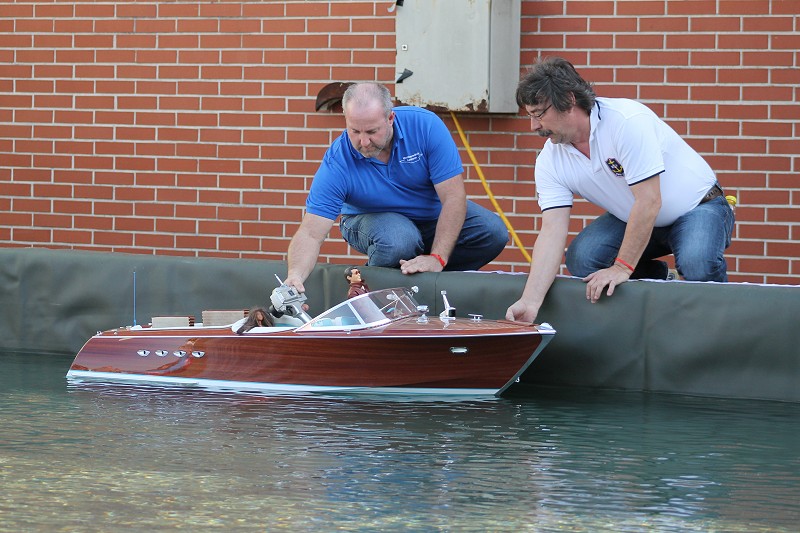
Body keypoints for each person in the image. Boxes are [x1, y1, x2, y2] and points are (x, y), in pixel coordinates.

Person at [506, 56, 735, 323]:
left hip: (698, 207)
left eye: (538, 114)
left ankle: (723, 328)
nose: (534, 126)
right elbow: (551, 230)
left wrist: (622, 267)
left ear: (568, 100)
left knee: (698, 263)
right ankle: (663, 282)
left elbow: (649, 201)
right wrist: (530, 301)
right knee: (584, 258)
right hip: (639, 217)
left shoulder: (626, 121)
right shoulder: (550, 159)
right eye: (530, 116)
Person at [284, 82, 508, 294]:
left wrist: (437, 258)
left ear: (390, 118)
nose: (363, 142)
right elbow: (311, 233)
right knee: (399, 239)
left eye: (371, 132)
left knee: (492, 231)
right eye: (355, 131)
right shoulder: (337, 161)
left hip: (429, 216)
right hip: (367, 219)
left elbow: (453, 197)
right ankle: (371, 293)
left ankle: (430, 286)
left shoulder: (425, 127)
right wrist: (295, 276)